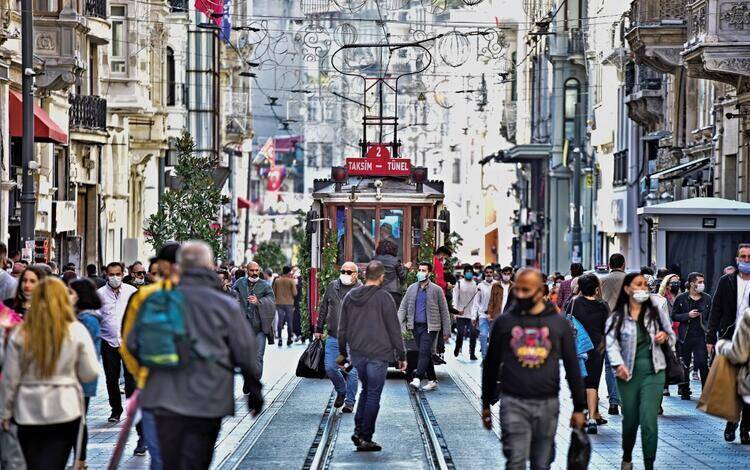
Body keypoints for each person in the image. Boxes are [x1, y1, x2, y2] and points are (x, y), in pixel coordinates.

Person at [135, 241, 263, 469]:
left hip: (164, 395)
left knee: (170, 461)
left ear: (179, 266)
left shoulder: (156, 300)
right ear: (210, 266)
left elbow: (135, 344)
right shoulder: (223, 304)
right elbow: (244, 350)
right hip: (208, 395)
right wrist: (254, 389)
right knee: (197, 460)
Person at [481, 268, 586, 470]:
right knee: (516, 461)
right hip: (513, 401)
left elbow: (573, 366)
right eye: (517, 289)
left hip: (547, 403)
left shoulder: (558, 323)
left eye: (526, 290)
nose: (519, 294)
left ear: (540, 291)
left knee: (541, 463)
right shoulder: (505, 322)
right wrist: (486, 403)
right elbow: (491, 364)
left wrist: (579, 408)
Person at [0, 277, 100, 470]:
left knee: (32, 462)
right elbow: (90, 372)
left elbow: (10, 378)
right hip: (65, 407)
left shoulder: (21, 333)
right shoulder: (76, 330)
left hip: (27, 410)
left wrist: (4, 413)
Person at [605, 272, 676, 470]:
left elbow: (671, 335)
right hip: (628, 373)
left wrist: (665, 337)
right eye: (638, 284)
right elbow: (610, 344)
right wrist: (618, 365)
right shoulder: (618, 316)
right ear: (627, 289)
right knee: (630, 421)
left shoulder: (656, 311)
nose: (643, 288)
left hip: (654, 371)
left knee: (649, 420)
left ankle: (649, 464)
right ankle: (627, 456)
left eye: (645, 285)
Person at [121, 242, 181, 469]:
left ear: (163, 265)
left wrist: (142, 374)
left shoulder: (145, 296)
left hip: (154, 386)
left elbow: (129, 343)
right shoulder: (205, 297)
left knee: (159, 456)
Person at [338, 260, 407, 452]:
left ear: (364, 275)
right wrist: (402, 355)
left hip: (358, 354)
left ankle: (359, 432)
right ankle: (365, 436)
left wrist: (343, 355)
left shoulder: (350, 296)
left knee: (366, 390)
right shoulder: (385, 298)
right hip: (378, 353)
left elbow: (341, 329)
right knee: (373, 394)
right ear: (381, 277)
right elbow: (394, 329)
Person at [707, 243, 750, 443]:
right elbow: (715, 310)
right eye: (743, 257)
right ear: (737, 259)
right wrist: (710, 338)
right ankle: (731, 422)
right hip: (730, 338)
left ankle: (745, 429)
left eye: (749, 257)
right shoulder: (727, 281)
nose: (746, 261)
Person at [315, 261, 362, 412]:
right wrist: (318, 328)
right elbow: (323, 308)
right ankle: (341, 390)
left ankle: (349, 402)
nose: (345, 274)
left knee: (351, 370)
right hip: (333, 337)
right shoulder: (332, 286)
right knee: (330, 367)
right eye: (343, 271)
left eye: (349, 272)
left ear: (356, 274)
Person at [398, 262, 451, 391]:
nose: (420, 272)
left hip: (431, 327)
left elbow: (444, 310)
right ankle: (432, 380)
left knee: (423, 351)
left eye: (423, 270)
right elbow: (403, 307)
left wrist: (447, 330)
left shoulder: (436, 290)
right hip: (415, 326)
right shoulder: (411, 288)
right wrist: (397, 324)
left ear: (429, 273)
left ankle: (417, 378)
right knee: (425, 352)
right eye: (419, 270)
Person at [567, 273, 609, 434]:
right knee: (593, 384)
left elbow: (568, 320)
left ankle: (582, 414)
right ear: (597, 289)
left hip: (578, 348)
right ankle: (592, 418)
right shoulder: (603, 305)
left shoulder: (574, 302)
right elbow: (607, 329)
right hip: (597, 347)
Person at [97, 262, 138, 424]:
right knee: (111, 378)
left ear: (123, 274)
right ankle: (116, 409)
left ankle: (131, 408)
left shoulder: (131, 292)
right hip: (109, 342)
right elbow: (96, 316)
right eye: (111, 274)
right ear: (106, 275)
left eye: (118, 274)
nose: (115, 277)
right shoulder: (100, 294)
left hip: (128, 342)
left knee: (130, 378)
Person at [68, 278, 102, 470]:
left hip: (80, 380)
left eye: (71, 292)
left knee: (79, 420)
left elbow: (88, 354)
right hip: (75, 379)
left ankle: (80, 459)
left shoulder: (87, 320)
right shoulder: (78, 317)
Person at [671, 272, 711, 399]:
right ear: (692, 283)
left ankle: (706, 392)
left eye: (702, 282)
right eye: (699, 282)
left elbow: (711, 317)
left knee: (703, 364)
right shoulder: (681, 298)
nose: (702, 284)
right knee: (685, 364)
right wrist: (688, 315)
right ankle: (684, 390)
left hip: (701, 336)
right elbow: (674, 316)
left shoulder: (707, 298)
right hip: (685, 336)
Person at [234, 261, 276, 380]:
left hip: (259, 328)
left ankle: (254, 382)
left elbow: (272, 302)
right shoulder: (240, 282)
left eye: (256, 270)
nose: (254, 273)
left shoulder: (265, 285)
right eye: (252, 270)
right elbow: (231, 294)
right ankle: (249, 380)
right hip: (243, 328)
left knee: (258, 356)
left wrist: (259, 302)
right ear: (247, 271)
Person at [452, 264, 479, 360]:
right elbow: (455, 298)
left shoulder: (475, 285)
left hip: (471, 314)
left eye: (471, 272)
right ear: (464, 273)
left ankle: (472, 353)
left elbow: (476, 301)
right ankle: (458, 346)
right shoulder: (459, 283)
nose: (469, 273)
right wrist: (455, 312)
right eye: (467, 271)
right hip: (460, 313)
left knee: (473, 333)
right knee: (460, 333)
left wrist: (474, 315)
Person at [373, 239, 409, 306]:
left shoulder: (375, 259)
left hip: (377, 291)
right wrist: (406, 267)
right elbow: (403, 275)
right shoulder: (395, 260)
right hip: (393, 292)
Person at [473, 265, 496, 359]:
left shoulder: (497, 285)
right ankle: (484, 357)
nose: (489, 274)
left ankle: (492, 356)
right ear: (484, 273)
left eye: (491, 272)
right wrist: (474, 316)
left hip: (495, 316)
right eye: (487, 272)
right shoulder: (480, 286)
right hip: (483, 315)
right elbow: (476, 302)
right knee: (483, 335)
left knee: (493, 337)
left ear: (493, 273)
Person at [273, 266, 297, 346]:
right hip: (289, 303)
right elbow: (295, 293)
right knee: (289, 322)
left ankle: (280, 339)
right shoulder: (291, 281)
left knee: (280, 320)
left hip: (279, 303)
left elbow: (273, 292)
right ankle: (289, 339)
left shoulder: (277, 281)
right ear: (289, 272)